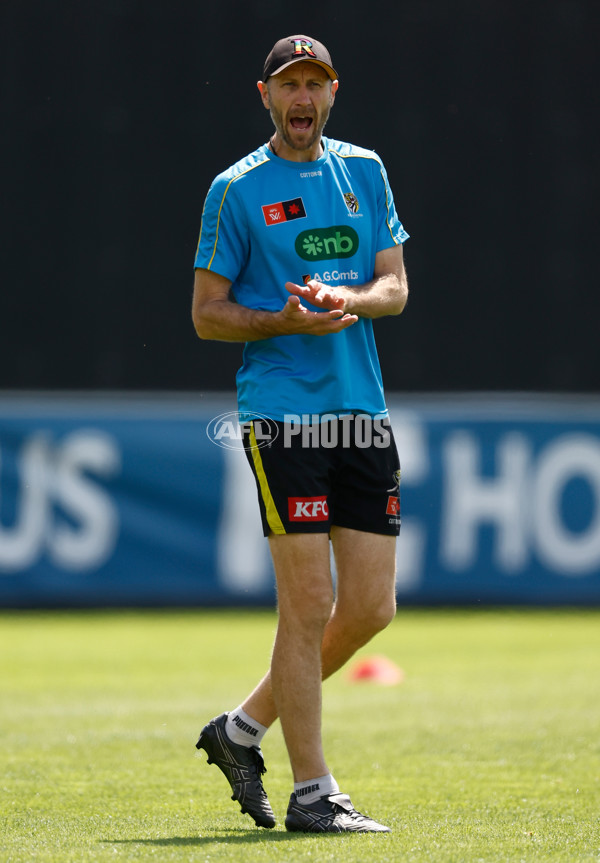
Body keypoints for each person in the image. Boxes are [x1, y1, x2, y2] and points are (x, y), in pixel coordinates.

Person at [191, 34, 409, 834]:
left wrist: (354, 299)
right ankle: (313, 791)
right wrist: (278, 319)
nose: (302, 97)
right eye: (289, 85)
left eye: (314, 83)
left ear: (333, 92)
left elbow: (396, 283)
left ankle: (240, 729)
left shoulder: (365, 169)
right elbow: (206, 313)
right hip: (283, 411)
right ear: (265, 96)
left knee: (372, 607)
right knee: (309, 602)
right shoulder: (235, 190)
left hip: (360, 408)